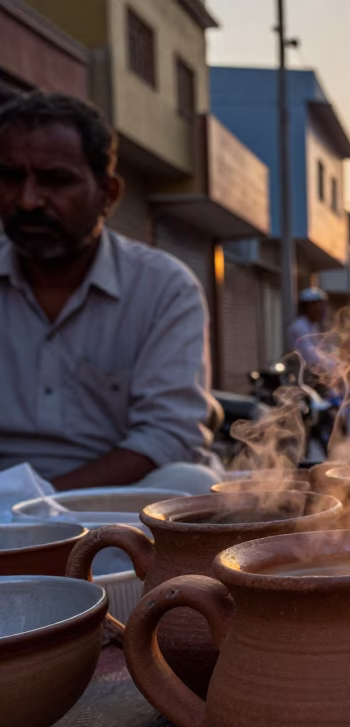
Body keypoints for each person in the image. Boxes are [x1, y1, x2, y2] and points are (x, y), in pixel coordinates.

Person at [0, 91, 217, 494]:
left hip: (112, 500)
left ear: (109, 194)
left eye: (56, 180)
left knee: (192, 483)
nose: (28, 200)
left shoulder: (164, 287)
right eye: (11, 177)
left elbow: (167, 437)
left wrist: (35, 502)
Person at [286, 287, 330, 376]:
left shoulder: (314, 326)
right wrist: (332, 363)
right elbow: (310, 354)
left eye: (322, 305)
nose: (320, 309)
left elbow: (321, 348)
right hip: (301, 376)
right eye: (315, 305)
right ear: (306, 307)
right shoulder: (299, 327)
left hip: (313, 373)